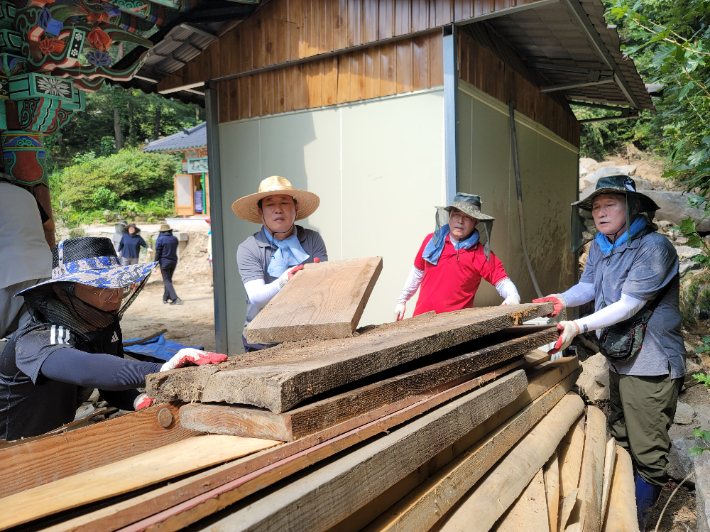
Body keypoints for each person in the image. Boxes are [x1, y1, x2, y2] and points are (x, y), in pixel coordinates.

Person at [533, 176, 685, 528]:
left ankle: (640, 520)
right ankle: (620, 509)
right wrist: (561, 300)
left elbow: (630, 304)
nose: (600, 212)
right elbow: (588, 286)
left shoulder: (654, 248)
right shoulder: (602, 245)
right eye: (596, 207)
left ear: (632, 208)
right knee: (622, 432)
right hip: (620, 357)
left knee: (647, 449)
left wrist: (577, 326)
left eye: (610, 205)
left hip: (650, 361)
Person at [0, 237, 226, 440]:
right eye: (101, 287)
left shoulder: (102, 322)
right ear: (62, 291)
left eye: (118, 285)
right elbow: (85, 368)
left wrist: (137, 400)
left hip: (53, 439)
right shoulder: (39, 336)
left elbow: (107, 382)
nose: (115, 297)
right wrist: (161, 370)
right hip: (10, 446)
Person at [233, 176, 327, 352]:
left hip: (306, 334)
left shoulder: (313, 239)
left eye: (284, 203)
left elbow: (322, 288)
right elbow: (257, 298)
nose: (278, 210)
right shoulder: (249, 248)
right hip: (261, 338)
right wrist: (284, 281)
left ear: (296, 209)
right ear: (261, 213)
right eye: (270, 204)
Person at [394, 193, 520, 320]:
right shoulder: (431, 242)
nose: (460, 221)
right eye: (456, 215)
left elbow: (503, 283)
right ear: (450, 216)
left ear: (476, 222)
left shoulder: (481, 254)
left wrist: (513, 296)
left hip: (455, 330)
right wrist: (402, 300)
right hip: (420, 322)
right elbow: (417, 273)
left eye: (466, 217)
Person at [0, 176, 53, 339]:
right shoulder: (25, 194)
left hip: (9, 270)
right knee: (31, 334)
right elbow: (50, 226)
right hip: (44, 267)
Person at [155, 222, 183, 305]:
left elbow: (158, 252)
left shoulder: (160, 239)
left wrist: (155, 263)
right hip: (173, 261)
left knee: (167, 280)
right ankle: (166, 297)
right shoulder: (174, 238)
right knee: (168, 280)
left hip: (164, 262)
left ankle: (175, 298)